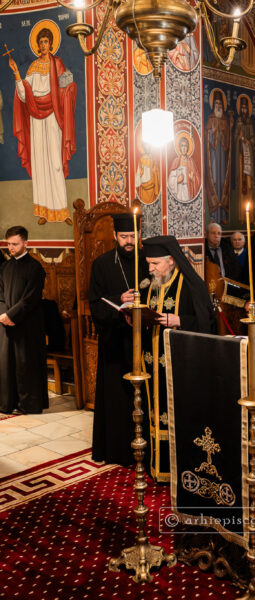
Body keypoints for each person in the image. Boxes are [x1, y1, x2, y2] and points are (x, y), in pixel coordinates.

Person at [142, 235, 215, 481]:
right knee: (154, 410)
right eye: (149, 264)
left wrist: (180, 320)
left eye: (155, 264)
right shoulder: (150, 285)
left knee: (177, 413)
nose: (151, 269)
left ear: (171, 260)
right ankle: (157, 465)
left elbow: (207, 324)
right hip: (152, 361)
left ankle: (179, 467)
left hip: (181, 364)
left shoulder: (192, 285)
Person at [89, 213, 149, 466]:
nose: (129, 241)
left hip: (144, 338)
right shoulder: (102, 264)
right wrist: (119, 300)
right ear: (115, 236)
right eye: (124, 236)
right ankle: (117, 450)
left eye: (133, 236)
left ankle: (147, 447)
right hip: (115, 340)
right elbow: (95, 304)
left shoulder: (148, 261)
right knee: (117, 397)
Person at [9, 27, 76, 225]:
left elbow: (67, 86)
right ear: (38, 45)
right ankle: (43, 212)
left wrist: (68, 87)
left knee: (55, 162)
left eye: (46, 41)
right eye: (41, 42)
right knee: (39, 162)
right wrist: (16, 73)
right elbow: (24, 94)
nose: (43, 45)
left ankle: (62, 211)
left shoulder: (58, 64)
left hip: (53, 115)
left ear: (51, 43)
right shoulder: (33, 67)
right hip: (35, 117)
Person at [0, 226, 48, 415]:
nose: (11, 248)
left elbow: (31, 298)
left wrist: (12, 315)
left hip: (28, 323)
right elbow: (0, 295)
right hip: (6, 323)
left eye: (15, 244)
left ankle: (28, 404)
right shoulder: (4, 267)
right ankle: (7, 402)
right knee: (7, 364)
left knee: (26, 365)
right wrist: (4, 315)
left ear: (26, 243)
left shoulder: (35, 268)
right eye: (9, 244)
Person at [205, 91, 233, 224]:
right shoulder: (210, 119)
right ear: (213, 105)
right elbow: (207, 136)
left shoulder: (225, 120)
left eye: (220, 103)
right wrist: (212, 132)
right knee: (214, 181)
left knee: (223, 183)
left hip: (222, 155)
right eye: (216, 103)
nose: (218, 106)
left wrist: (229, 128)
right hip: (213, 156)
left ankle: (222, 215)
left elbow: (228, 140)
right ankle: (213, 215)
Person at [234, 95, 255, 222]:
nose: (243, 110)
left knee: (249, 185)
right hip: (241, 158)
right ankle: (242, 216)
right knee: (241, 185)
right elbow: (235, 138)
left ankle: (250, 216)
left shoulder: (250, 122)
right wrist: (239, 138)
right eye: (242, 108)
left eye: (245, 108)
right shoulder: (238, 122)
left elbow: (254, 138)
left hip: (248, 158)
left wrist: (249, 141)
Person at [168, 134, 200, 203]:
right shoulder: (176, 161)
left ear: (188, 148)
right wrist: (177, 180)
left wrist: (192, 178)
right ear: (180, 148)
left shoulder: (191, 162)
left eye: (185, 146)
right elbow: (170, 180)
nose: (184, 148)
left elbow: (198, 180)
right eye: (182, 146)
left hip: (188, 191)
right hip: (178, 191)